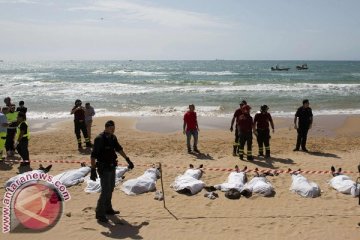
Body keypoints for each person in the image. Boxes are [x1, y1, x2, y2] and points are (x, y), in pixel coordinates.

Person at [90, 120, 134, 223]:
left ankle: (108, 209)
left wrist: (128, 159)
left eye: (114, 128)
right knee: (105, 190)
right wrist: (93, 169)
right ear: (106, 127)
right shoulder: (99, 139)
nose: (113, 130)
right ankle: (99, 213)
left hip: (112, 166)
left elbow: (119, 149)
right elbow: (93, 155)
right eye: (111, 128)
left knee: (111, 188)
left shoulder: (113, 137)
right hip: (103, 168)